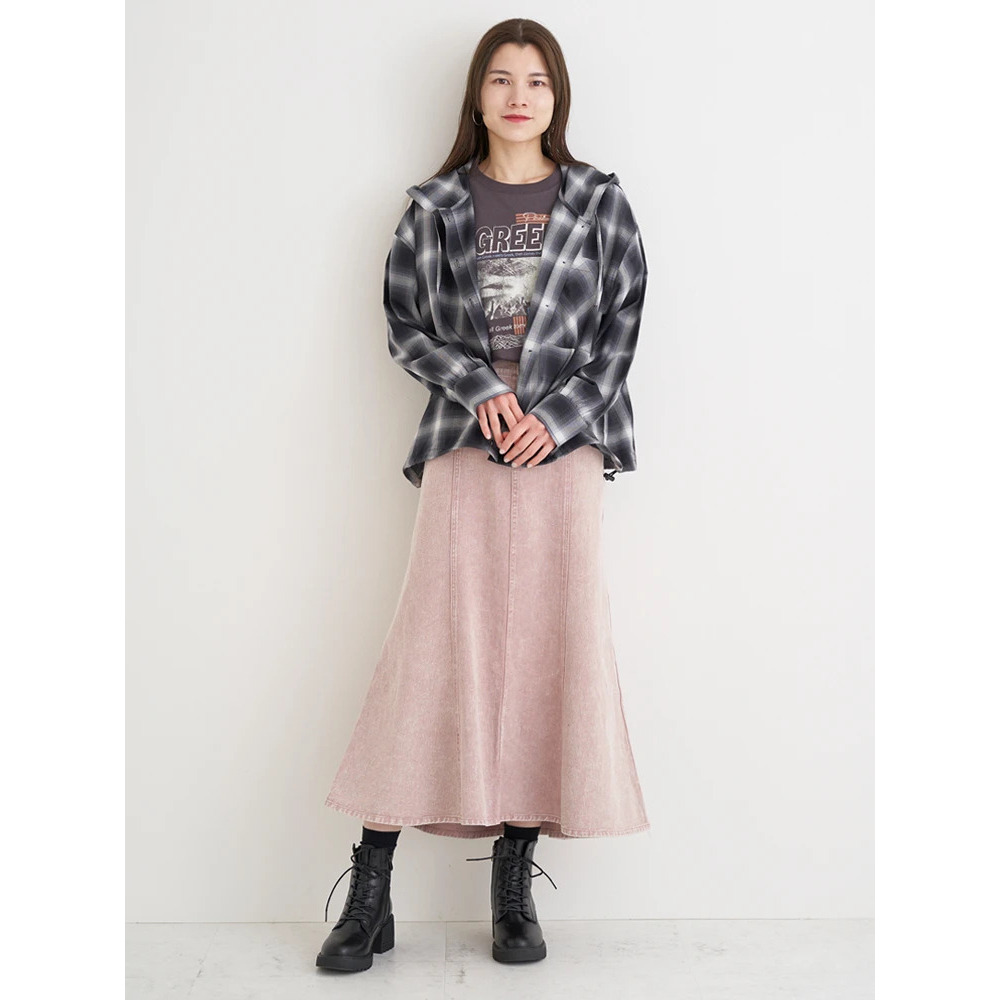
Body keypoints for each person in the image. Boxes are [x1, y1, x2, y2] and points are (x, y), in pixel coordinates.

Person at [317, 17, 650, 974]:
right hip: (467, 441)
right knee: (431, 647)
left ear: (557, 96)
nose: (518, 96)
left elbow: (621, 328)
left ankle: (513, 886)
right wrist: (481, 389)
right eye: (501, 79)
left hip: (563, 450)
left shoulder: (599, 202)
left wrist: (561, 416)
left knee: (549, 649)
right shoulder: (434, 206)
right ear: (477, 94)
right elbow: (405, 322)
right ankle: (371, 891)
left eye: (536, 81)